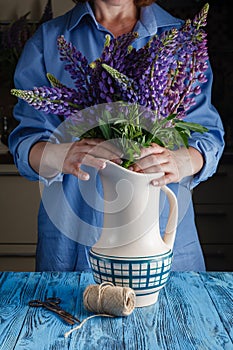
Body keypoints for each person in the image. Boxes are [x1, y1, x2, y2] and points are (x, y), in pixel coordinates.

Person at [9, 0, 225, 272]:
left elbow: (209, 137)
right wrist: (65, 153)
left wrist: (180, 162)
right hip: (73, 246)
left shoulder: (180, 39)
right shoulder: (48, 40)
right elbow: (25, 145)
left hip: (163, 240)